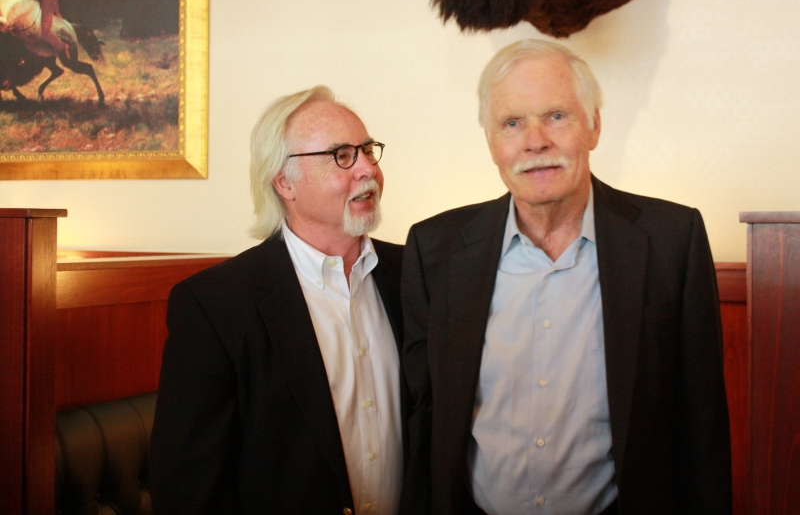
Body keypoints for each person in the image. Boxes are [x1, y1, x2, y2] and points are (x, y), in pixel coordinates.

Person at [400, 40, 732, 515]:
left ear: (594, 125)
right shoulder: (435, 251)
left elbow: (703, 428)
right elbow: (423, 423)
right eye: (512, 123)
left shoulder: (671, 242)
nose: (536, 141)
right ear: (491, 140)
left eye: (557, 115)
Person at [151, 86, 405, 515]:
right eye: (342, 155)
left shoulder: (412, 275)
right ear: (285, 182)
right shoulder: (214, 305)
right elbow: (188, 490)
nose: (367, 169)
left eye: (367, 150)